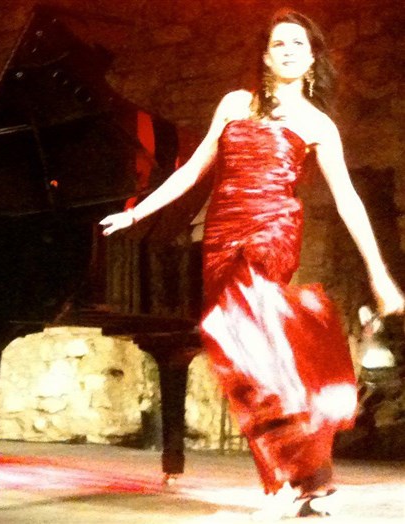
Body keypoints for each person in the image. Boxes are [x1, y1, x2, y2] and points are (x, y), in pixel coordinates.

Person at [99, 9, 404, 520]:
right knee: (245, 359)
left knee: (240, 333)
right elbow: (194, 171)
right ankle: (306, 479)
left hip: (272, 229)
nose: (288, 50)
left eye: (298, 44)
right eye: (279, 43)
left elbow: (347, 199)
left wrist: (379, 273)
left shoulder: (318, 124)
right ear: (265, 56)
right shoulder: (235, 104)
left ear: (312, 59)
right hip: (221, 233)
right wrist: (137, 214)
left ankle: (294, 474)